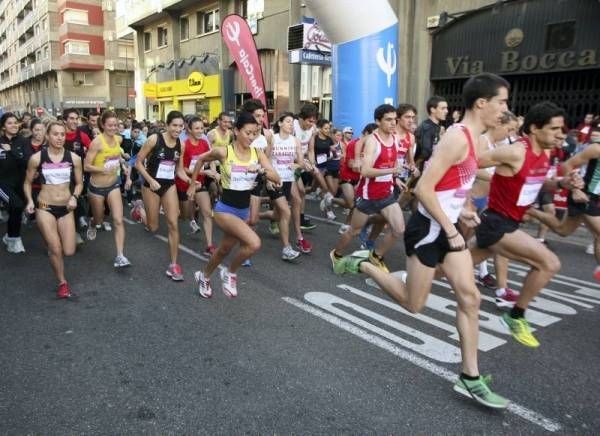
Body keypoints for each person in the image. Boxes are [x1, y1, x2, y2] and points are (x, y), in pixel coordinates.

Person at [334, 73, 511, 409]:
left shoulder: (476, 138)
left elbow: (455, 185)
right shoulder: (458, 137)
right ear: (482, 103)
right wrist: (451, 228)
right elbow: (423, 189)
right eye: (502, 101)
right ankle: (366, 265)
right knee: (414, 305)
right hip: (429, 231)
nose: (505, 109)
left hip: (446, 228)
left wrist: (465, 210)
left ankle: (469, 377)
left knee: (470, 298)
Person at [470, 101, 582, 349]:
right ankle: (515, 316)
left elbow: (542, 182)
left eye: (562, 129)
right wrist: (463, 201)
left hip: (509, 223)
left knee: (452, 266)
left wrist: (562, 184)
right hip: (496, 223)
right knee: (549, 263)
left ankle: (408, 278)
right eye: (554, 129)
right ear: (533, 128)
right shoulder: (515, 152)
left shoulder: (544, 153)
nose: (560, 135)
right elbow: (470, 162)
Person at [188, 112, 281, 298]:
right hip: (224, 210)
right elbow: (200, 160)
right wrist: (192, 184)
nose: (252, 137)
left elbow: (276, 178)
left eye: (255, 133)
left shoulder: (257, 153)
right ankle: (229, 273)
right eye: (248, 133)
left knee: (223, 250)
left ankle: (204, 276)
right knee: (254, 243)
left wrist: (261, 170)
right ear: (237, 131)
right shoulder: (224, 152)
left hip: (243, 211)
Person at [330, 104, 407, 274]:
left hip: (386, 194)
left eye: (395, 119)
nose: (393, 123)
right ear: (378, 121)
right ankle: (336, 254)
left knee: (399, 229)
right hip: (368, 195)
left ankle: (376, 256)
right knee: (354, 231)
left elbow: (393, 163)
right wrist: (391, 171)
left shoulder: (395, 139)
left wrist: (396, 179)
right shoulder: (373, 142)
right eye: (388, 120)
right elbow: (365, 171)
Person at [526, 118, 600, 279]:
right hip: (585, 195)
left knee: (563, 230)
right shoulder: (596, 148)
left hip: (596, 197)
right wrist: (574, 189)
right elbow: (567, 165)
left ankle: (530, 210)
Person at [23, 121, 84, 298]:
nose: (59, 138)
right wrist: (29, 201)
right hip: (45, 206)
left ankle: (51, 244)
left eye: (62, 134)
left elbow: (80, 184)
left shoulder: (74, 158)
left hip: (66, 207)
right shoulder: (37, 158)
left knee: (69, 250)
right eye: (55, 134)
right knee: (56, 248)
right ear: (48, 136)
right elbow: (27, 182)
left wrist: (74, 197)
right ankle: (62, 282)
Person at [135, 111, 192, 281]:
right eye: (174, 125)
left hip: (169, 185)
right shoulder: (154, 139)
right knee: (153, 228)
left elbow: (179, 170)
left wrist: (189, 180)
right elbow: (138, 162)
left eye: (180, 126)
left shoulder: (181, 145)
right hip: (151, 185)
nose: (177, 129)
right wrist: (151, 181)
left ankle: (173, 265)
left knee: (173, 223)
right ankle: (140, 212)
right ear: (167, 125)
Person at [468, 111, 516, 306]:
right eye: (509, 128)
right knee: (468, 243)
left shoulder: (501, 146)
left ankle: (500, 288)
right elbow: (471, 167)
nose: (511, 133)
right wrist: (498, 179)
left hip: (491, 199)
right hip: (472, 198)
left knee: (497, 240)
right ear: (497, 124)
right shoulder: (481, 141)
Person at [83, 111, 130, 267]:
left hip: (113, 185)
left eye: (116, 125)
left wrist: (123, 165)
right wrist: (101, 169)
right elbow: (86, 165)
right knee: (99, 219)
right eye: (110, 125)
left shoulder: (119, 139)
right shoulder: (97, 142)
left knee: (118, 220)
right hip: (97, 187)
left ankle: (120, 255)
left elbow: (117, 157)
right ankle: (92, 223)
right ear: (102, 125)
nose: (113, 128)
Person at [263, 112, 310, 260]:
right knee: (286, 212)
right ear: (280, 123)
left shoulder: (295, 141)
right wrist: (269, 179)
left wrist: (296, 165)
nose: (291, 124)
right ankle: (286, 248)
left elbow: (301, 163)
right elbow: (266, 159)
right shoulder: (273, 139)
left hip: (289, 181)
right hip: (275, 181)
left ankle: (255, 217)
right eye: (288, 122)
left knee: (278, 214)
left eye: (292, 122)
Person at [175, 116, 216, 255]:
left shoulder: (204, 144)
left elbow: (211, 160)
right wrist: (204, 171)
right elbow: (183, 169)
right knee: (185, 215)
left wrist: (214, 172)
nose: (200, 131)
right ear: (189, 130)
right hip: (184, 183)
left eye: (202, 128)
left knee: (207, 212)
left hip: (199, 183)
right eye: (197, 128)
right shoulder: (184, 145)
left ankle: (209, 246)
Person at [0, 112, 31, 253]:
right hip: (3, 183)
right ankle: (15, 239)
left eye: (15, 122)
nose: (14, 125)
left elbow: (27, 162)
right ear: (3, 127)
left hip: (20, 183)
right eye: (9, 123)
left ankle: (10, 237)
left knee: (16, 210)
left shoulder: (23, 141)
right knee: (16, 205)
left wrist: (11, 151)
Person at [63, 108, 92, 236]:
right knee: (68, 200)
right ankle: (72, 229)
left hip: (78, 174)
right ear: (65, 120)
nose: (75, 121)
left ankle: (77, 223)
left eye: (76, 119)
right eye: (71, 118)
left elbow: (93, 150)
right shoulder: (59, 135)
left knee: (75, 197)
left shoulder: (82, 136)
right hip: (61, 175)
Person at [293, 103, 319, 230]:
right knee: (299, 192)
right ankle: (274, 216)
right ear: (301, 118)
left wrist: (312, 164)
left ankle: (300, 218)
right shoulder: (292, 126)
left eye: (314, 121)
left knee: (300, 193)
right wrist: (302, 163)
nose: (311, 124)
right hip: (287, 163)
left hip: (301, 163)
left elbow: (311, 149)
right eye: (309, 121)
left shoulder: (312, 129)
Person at [414, 95, 448, 168]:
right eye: (443, 108)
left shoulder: (437, 127)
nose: (446, 111)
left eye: (446, 108)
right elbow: (425, 153)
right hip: (423, 170)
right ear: (433, 109)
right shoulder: (427, 127)